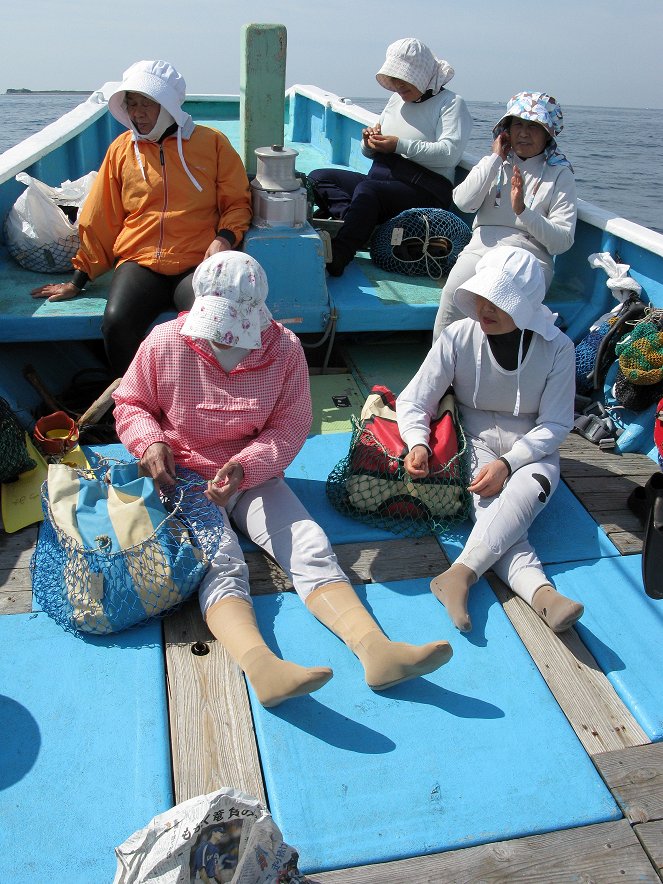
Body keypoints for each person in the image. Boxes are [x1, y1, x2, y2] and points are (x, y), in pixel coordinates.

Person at [112, 250, 452, 708]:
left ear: (258, 314)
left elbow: (290, 427)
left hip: (253, 472)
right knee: (221, 559)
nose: (225, 338)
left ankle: (376, 649)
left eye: (237, 328)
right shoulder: (164, 342)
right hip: (185, 475)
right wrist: (151, 443)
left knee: (308, 540)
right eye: (216, 327)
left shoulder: (286, 349)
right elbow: (131, 404)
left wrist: (245, 467)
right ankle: (261, 666)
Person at [397, 246, 584, 634]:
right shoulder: (458, 336)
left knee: (522, 495)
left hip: (534, 444)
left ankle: (459, 574)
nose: (485, 309)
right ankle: (543, 594)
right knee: (490, 507)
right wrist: (418, 441)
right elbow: (416, 398)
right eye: (482, 297)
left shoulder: (558, 349)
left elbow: (554, 424)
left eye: (500, 301)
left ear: (527, 305)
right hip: (474, 436)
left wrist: (509, 463)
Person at [31, 60, 252, 377]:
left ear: (169, 105)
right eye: (131, 104)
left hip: (195, 262)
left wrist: (224, 238)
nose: (138, 113)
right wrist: (78, 279)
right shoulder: (121, 150)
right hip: (140, 260)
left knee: (209, 325)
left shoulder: (213, 144)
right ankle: (134, 401)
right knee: (117, 323)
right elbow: (99, 217)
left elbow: (238, 202)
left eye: (147, 103)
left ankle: (199, 404)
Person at [307, 38, 472, 277]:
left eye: (404, 80)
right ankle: (363, 224)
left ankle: (341, 252)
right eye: (394, 79)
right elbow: (372, 150)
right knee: (319, 178)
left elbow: (449, 154)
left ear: (422, 75)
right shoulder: (396, 99)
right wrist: (369, 143)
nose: (397, 85)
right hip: (384, 179)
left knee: (368, 191)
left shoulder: (451, 104)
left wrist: (398, 145)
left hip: (425, 188)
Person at [432, 91, 577, 339]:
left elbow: (562, 241)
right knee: (453, 293)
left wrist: (523, 211)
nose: (523, 132)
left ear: (548, 133)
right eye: (517, 124)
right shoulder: (494, 162)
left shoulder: (560, 174)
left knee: (501, 298)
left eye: (534, 126)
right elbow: (462, 202)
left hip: (529, 256)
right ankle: (441, 365)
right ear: (505, 130)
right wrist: (494, 159)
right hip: (481, 247)